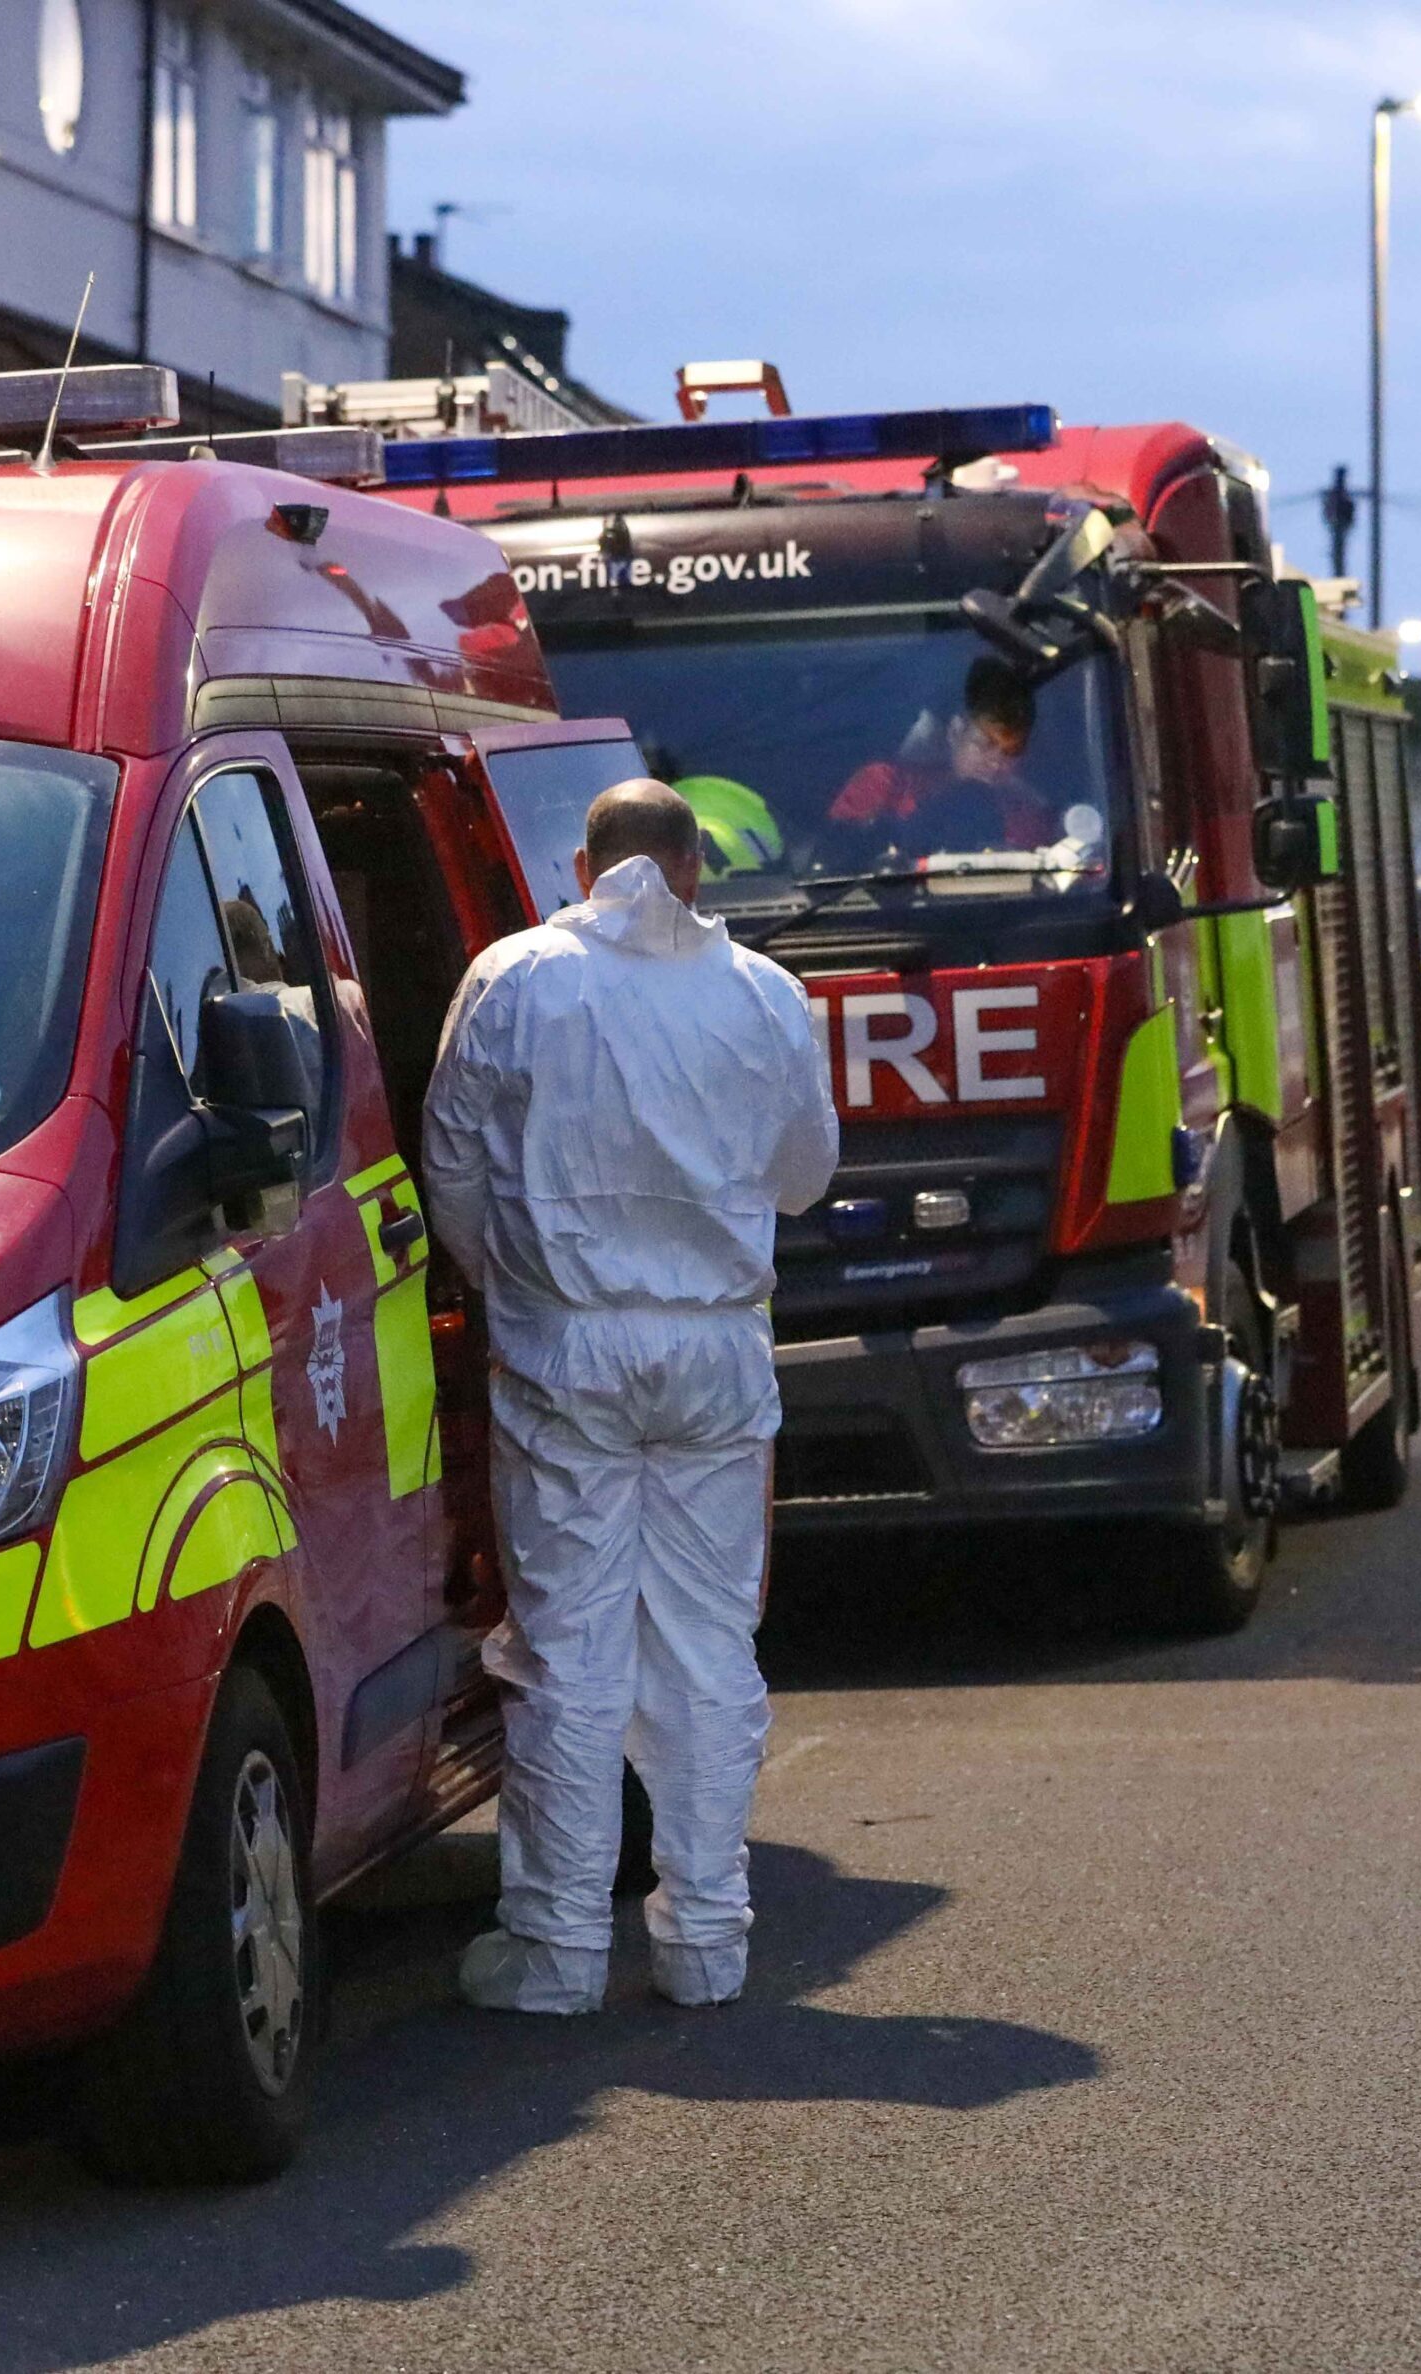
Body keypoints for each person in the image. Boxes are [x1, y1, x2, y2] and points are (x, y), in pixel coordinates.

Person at [422, 779, 838, 2014]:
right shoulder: (768, 995)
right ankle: (707, 1944)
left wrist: (507, 1282)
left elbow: (449, 1160)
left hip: (563, 1350)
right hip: (716, 1352)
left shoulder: (515, 978)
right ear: (697, 868)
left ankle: (554, 1953)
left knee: (567, 1649)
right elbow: (806, 1177)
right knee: (709, 1647)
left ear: (579, 862)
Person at [825, 654, 1056, 856]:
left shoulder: (1027, 817)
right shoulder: (884, 786)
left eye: (1009, 753)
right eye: (984, 744)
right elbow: (837, 860)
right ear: (956, 732)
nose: (995, 763)